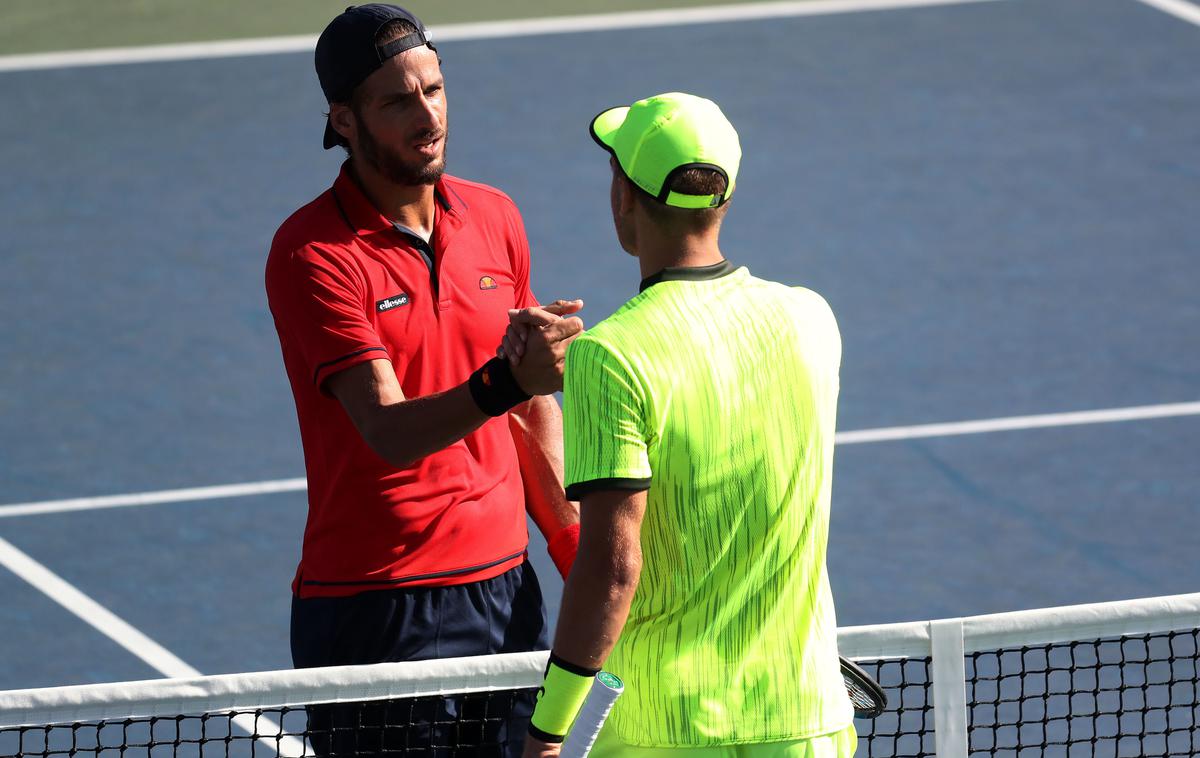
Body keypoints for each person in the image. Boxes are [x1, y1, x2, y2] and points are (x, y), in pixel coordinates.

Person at [263, 5, 582, 755]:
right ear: (344, 119)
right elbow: (387, 430)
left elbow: (530, 413)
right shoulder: (314, 253)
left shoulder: (497, 216)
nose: (427, 116)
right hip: (378, 606)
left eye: (434, 90)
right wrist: (506, 381)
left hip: (506, 593)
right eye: (397, 101)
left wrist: (574, 546)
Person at [512, 93, 857, 757]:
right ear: (724, 197)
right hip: (808, 722)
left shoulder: (609, 357)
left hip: (664, 735)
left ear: (623, 197)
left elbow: (611, 570)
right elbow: (724, 391)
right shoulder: (813, 320)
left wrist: (548, 731)